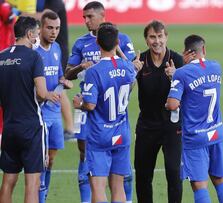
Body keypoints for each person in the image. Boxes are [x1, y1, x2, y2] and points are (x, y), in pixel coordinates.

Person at [64, 1, 136, 202]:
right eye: (84, 17)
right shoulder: (81, 43)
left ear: (102, 16)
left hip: (93, 110)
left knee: (98, 176)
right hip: (112, 117)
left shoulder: (121, 39)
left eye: (90, 17)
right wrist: (80, 67)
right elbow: (67, 74)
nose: (86, 21)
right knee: (84, 154)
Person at [166, 34, 223, 203]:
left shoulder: (182, 74)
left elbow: (173, 104)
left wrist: (175, 78)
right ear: (203, 49)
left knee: (199, 185)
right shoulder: (216, 67)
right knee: (220, 181)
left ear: (189, 52)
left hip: (195, 136)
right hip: (216, 133)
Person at [0, 16, 59, 203]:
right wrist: (51, 94)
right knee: (32, 184)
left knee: (8, 181)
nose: (37, 37)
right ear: (29, 34)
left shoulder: (1, 57)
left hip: (9, 127)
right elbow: (41, 93)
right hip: (32, 128)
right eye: (36, 33)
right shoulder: (34, 57)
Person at [133, 20, 183, 203]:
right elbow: (125, 90)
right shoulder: (139, 61)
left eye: (160, 36)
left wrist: (176, 77)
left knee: (174, 173)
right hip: (147, 126)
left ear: (166, 37)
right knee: (143, 176)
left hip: (172, 126)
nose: (157, 41)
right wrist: (132, 72)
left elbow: (190, 94)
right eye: (152, 37)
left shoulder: (177, 60)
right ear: (146, 40)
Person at [35, 10, 73, 203]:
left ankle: (44, 193)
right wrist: (42, 95)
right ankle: (39, 198)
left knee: (51, 159)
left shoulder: (57, 48)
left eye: (57, 28)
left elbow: (58, 76)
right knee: (41, 161)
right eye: (50, 28)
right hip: (38, 113)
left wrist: (64, 82)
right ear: (41, 28)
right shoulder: (33, 52)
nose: (54, 32)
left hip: (55, 113)